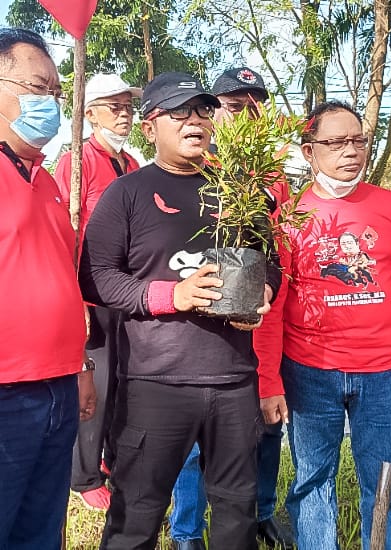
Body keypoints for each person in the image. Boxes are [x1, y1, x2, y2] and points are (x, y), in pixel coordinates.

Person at [79, 71, 280, 549]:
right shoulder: (126, 194)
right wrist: (172, 295)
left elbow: (267, 260)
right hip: (155, 384)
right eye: (179, 111)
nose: (195, 120)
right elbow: (95, 276)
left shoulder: (237, 192)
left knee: (236, 512)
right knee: (136, 516)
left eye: (203, 110)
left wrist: (263, 293)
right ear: (149, 127)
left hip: (233, 381)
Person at [253, 100, 391, 549]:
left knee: (388, 486)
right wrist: (268, 380)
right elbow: (273, 308)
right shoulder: (288, 220)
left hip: (387, 375)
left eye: (358, 140)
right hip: (310, 373)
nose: (351, 151)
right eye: (336, 142)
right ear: (308, 153)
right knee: (312, 483)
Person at [168, 66, 293, 550]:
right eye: (235, 106)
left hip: (266, 317)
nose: (247, 115)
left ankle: (261, 512)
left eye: (255, 107)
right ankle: (186, 531)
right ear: (214, 111)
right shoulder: (195, 169)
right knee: (197, 440)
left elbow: (279, 249)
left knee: (267, 430)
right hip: (206, 327)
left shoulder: (272, 174)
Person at [0, 26, 94, 549]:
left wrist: (79, 366)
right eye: (38, 89)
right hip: (6, 391)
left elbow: (62, 279)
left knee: (41, 529)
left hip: (58, 386)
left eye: (56, 93)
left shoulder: (47, 180)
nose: (51, 104)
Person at [54, 72, 141, 512]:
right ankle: (84, 474)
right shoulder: (76, 162)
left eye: (128, 106)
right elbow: (67, 232)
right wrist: (73, 298)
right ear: (89, 114)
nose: (124, 114)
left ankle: (108, 459)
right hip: (90, 294)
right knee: (97, 384)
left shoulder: (131, 163)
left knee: (124, 383)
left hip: (126, 290)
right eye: (114, 106)